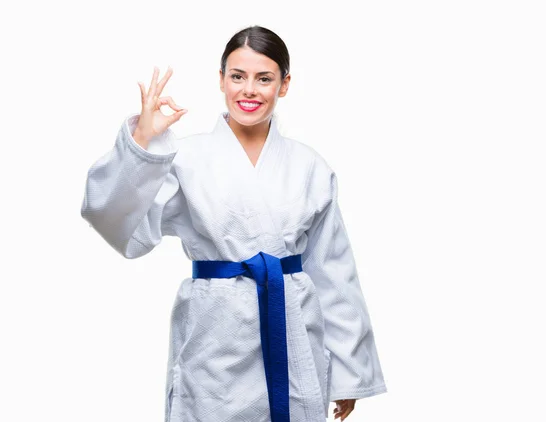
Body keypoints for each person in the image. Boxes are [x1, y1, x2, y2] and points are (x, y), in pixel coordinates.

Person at [81, 25, 387, 422]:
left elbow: (333, 269)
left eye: (264, 78)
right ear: (221, 79)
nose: (249, 90)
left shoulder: (309, 165)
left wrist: (349, 374)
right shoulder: (186, 158)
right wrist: (143, 142)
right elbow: (117, 222)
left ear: (285, 84)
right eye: (237, 76)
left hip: (293, 326)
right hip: (215, 333)